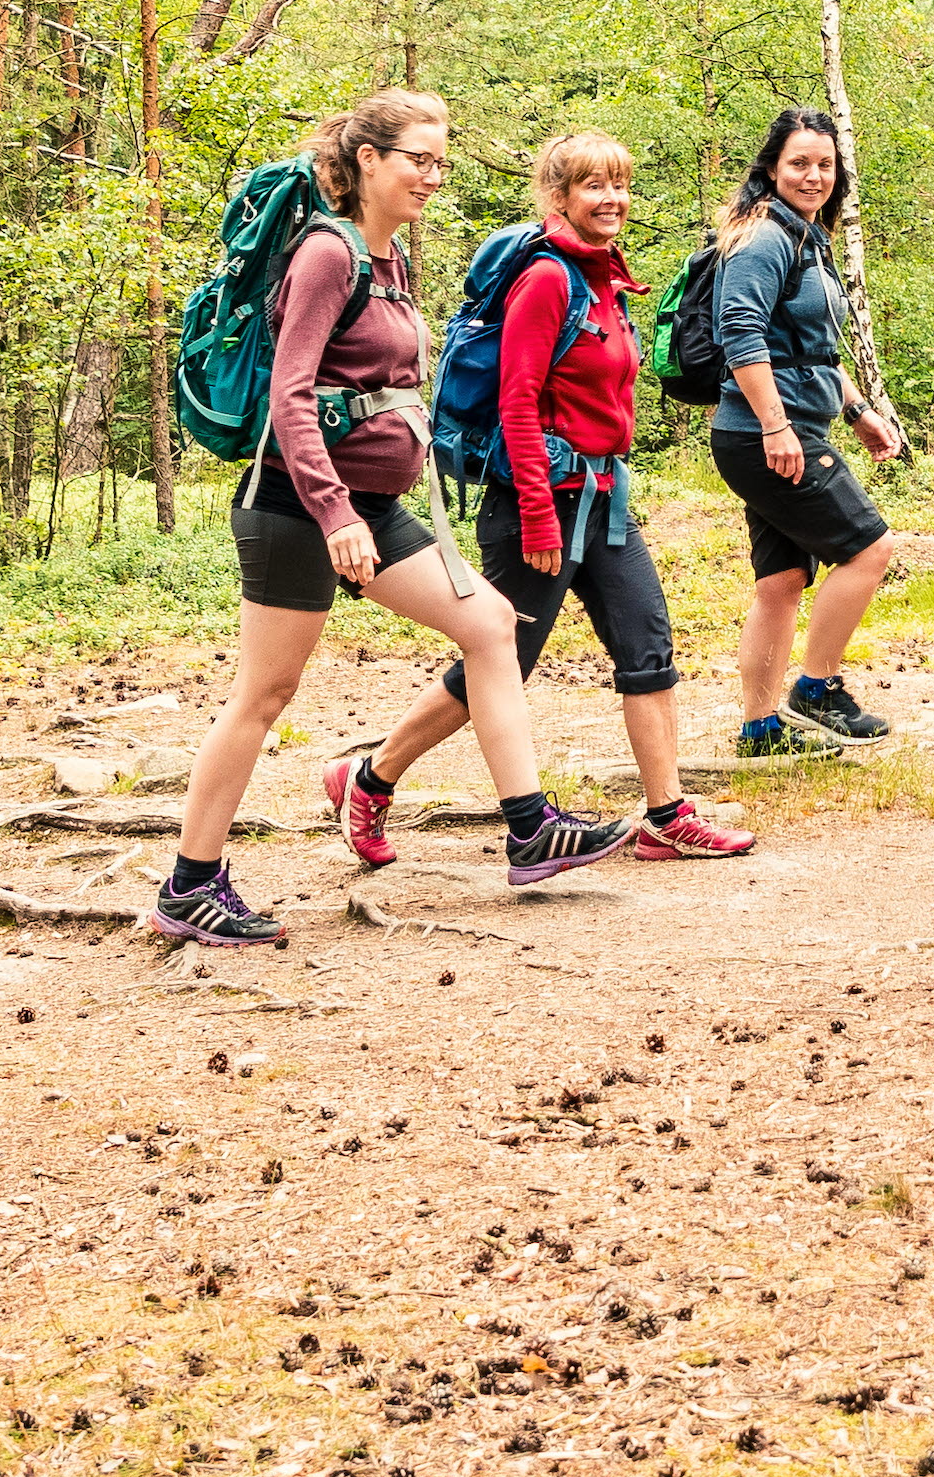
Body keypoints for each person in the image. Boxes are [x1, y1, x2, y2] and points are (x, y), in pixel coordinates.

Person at [155, 91, 632, 949]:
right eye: (418, 157)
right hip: (297, 506)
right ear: (368, 158)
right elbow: (289, 398)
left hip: (372, 509)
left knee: (490, 624)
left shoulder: (392, 258)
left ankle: (530, 827)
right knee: (264, 694)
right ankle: (190, 883)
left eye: (440, 160)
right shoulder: (326, 256)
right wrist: (335, 512)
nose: (432, 174)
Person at [331, 132, 757, 868]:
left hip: (603, 495)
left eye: (620, 184)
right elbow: (517, 401)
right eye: (594, 186)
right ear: (559, 197)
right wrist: (534, 509)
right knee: (500, 663)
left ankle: (667, 813)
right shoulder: (548, 279)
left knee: (646, 642)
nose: (613, 199)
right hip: (541, 501)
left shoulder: (605, 278)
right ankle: (368, 778)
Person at [707, 107, 903, 756]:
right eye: (799, 163)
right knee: (869, 547)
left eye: (825, 164)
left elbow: (809, 350)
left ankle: (761, 729)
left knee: (781, 581)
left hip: (777, 428)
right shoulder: (765, 237)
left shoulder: (804, 238)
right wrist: (777, 426)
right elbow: (740, 332)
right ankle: (817, 690)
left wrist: (857, 410)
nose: (814, 175)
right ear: (771, 168)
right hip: (766, 433)